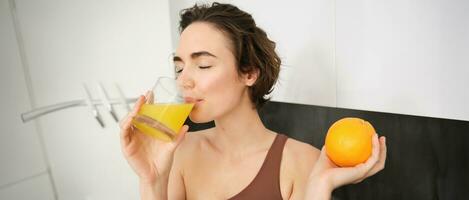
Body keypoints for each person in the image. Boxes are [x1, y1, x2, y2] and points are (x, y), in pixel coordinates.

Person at [119, 2, 387, 200]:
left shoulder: (302, 161)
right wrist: (152, 181)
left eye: (202, 65)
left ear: (249, 72)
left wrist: (319, 189)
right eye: (179, 68)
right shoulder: (176, 151)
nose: (183, 80)